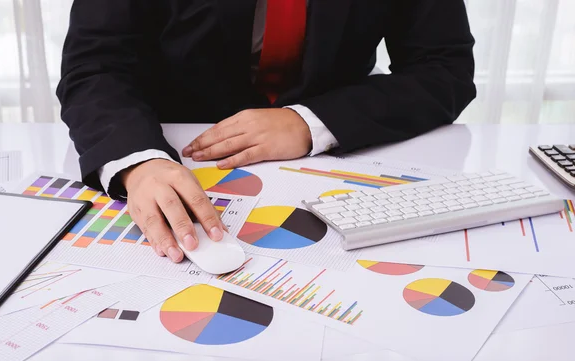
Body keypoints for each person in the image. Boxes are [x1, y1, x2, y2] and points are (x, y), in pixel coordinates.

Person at [57, 0, 476, 264]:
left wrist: (312, 120)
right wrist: (138, 160)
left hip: (336, 160)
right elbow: (96, 66)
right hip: (179, 152)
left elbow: (444, 69)